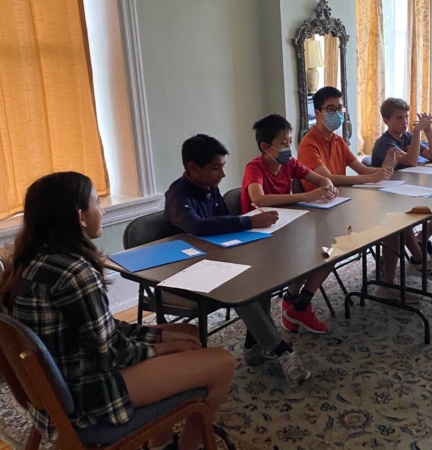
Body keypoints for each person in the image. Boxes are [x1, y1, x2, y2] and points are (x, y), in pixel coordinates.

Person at [0, 172, 235, 450]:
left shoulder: (29, 261)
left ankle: (159, 443)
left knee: (187, 332)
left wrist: (161, 337)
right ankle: (189, 445)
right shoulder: (75, 272)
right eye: (97, 203)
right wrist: (162, 349)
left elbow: (101, 329)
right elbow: (111, 353)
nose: (101, 209)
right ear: (80, 217)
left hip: (63, 381)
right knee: (223, 363)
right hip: (89, 396)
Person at [164, 134, 311, 386]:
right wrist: (248, 221)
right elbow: (197, 226)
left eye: (222, 167)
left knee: (259, 276)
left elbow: (221, 221)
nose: (222, 175)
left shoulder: (210, 186)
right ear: (192, 168)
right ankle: (280, 350)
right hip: (186, 271)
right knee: (240, 290)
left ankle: (254, 348)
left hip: (216, 258)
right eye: (215, 168)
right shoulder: (178, 195)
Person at [297, 88, 432, 301]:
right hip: (321, 212)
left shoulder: (337, 140)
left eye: (340, 108)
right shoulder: (309, 144)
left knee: (396, 217)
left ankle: (394, 279)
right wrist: (371, 177)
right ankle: (416, 263)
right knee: (392, 219)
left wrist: (384, 172)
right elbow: (328, 180)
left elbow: (362, 170)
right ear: (318, 112)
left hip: (341, 203)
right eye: (331, 109)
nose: (338, 113)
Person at [241, 113, 338, 334]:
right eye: (282, 143)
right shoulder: (254, 168)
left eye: (289, 141)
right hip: (259, 235)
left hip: (287, 228)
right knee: (308, 254)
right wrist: (305, 196)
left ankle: (297, 302)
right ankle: (296, 304)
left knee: (331, 249)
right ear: (266, 146)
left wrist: (328, 186)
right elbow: (259, 199)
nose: (288, 148)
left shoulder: (289, 164)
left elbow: (321, 179)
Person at [370, 97, 432, 297]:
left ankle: (418, 261)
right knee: (399, 220)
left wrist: (428, 131)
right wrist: (418, 132)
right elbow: (411, 162)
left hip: (404, 192)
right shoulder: (385, 143)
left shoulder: (408, 137)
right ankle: (419, 261)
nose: (405, 122)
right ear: (386, 120)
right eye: (399, 118)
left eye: (407, 117)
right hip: (384, 197)